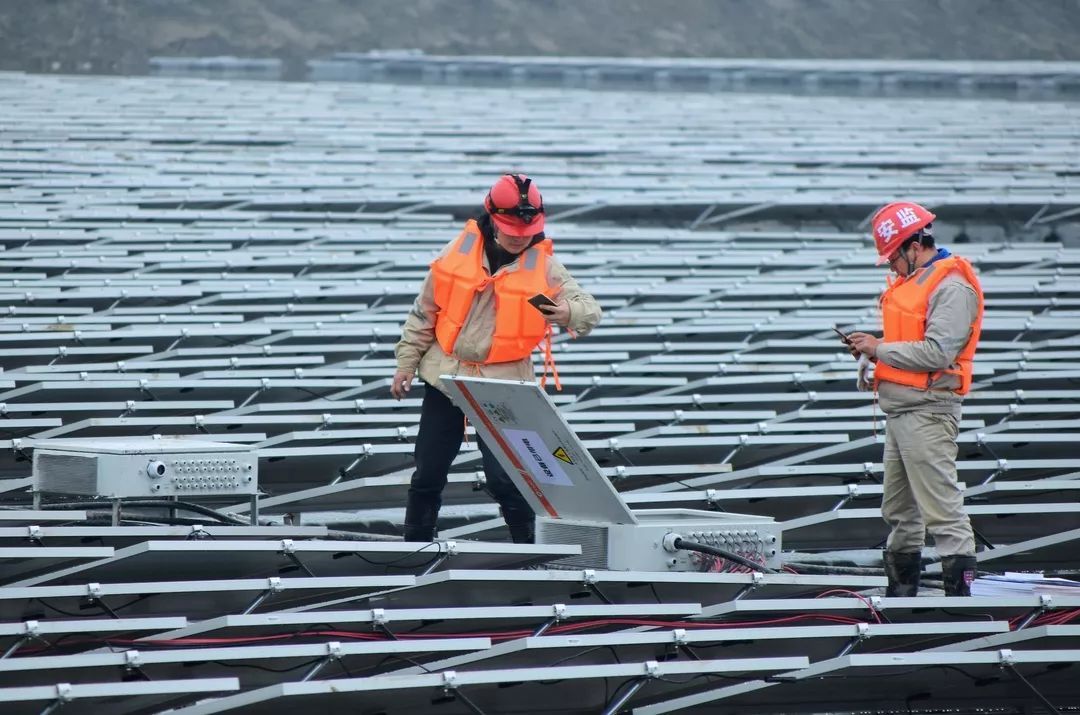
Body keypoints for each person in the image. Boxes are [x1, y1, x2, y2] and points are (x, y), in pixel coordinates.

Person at [391, 173, 602, 543]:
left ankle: (529, 550)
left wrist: (567, 312)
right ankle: (417, 541)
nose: (520, 237)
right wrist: (405, 364)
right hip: (446, 378)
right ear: (492, 221)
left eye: (527, 231)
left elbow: (590, 311)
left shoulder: (546, 268)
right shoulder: (454, 257)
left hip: (504, 387)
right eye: (512, 231)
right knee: (428, 469)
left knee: (506, 475)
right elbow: (424, 314)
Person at [845, 201, 983, 597]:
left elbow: (939, 353)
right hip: (902, 412)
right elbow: (910, 344)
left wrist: (879, 348)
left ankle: (960, 596)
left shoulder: (952, 287)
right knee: (899, 512)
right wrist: (874, 348)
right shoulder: (917, 282)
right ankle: (902, 592)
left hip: (928, 411)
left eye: (893, 259)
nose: (891, 268)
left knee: (942, 509)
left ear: (913, 245)